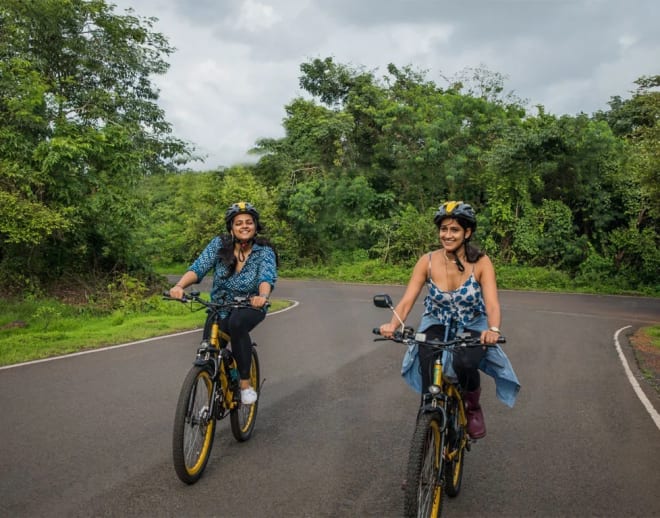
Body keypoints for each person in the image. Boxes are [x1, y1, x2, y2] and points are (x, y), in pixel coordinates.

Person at [379, 201, 520, 439]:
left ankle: (472, 407)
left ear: (467, 232)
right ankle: (427, 423)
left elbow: (493, 303)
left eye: (454, 230)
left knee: (465, 362)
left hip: (472, 324)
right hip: (437, 322)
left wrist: (493, 328)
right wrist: (393, 325)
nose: (447, 235)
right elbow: (406, 301)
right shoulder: (428, 261)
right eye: (443, 229)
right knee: (425, 353)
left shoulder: (482, 263)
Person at [169, 202, 278, 405]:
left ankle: (244, 385)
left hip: (250, 306)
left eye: (249, 222)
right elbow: (199, 268)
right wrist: (179, 286)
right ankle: (214, 392)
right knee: (208, 351)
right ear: (231, 228)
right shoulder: (219, 245)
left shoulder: (264, 251)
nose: (244, 226)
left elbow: (266, 277)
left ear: (255, 226)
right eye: (239, 223)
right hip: (219, 306)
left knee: (237, 324)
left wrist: (262, 296)